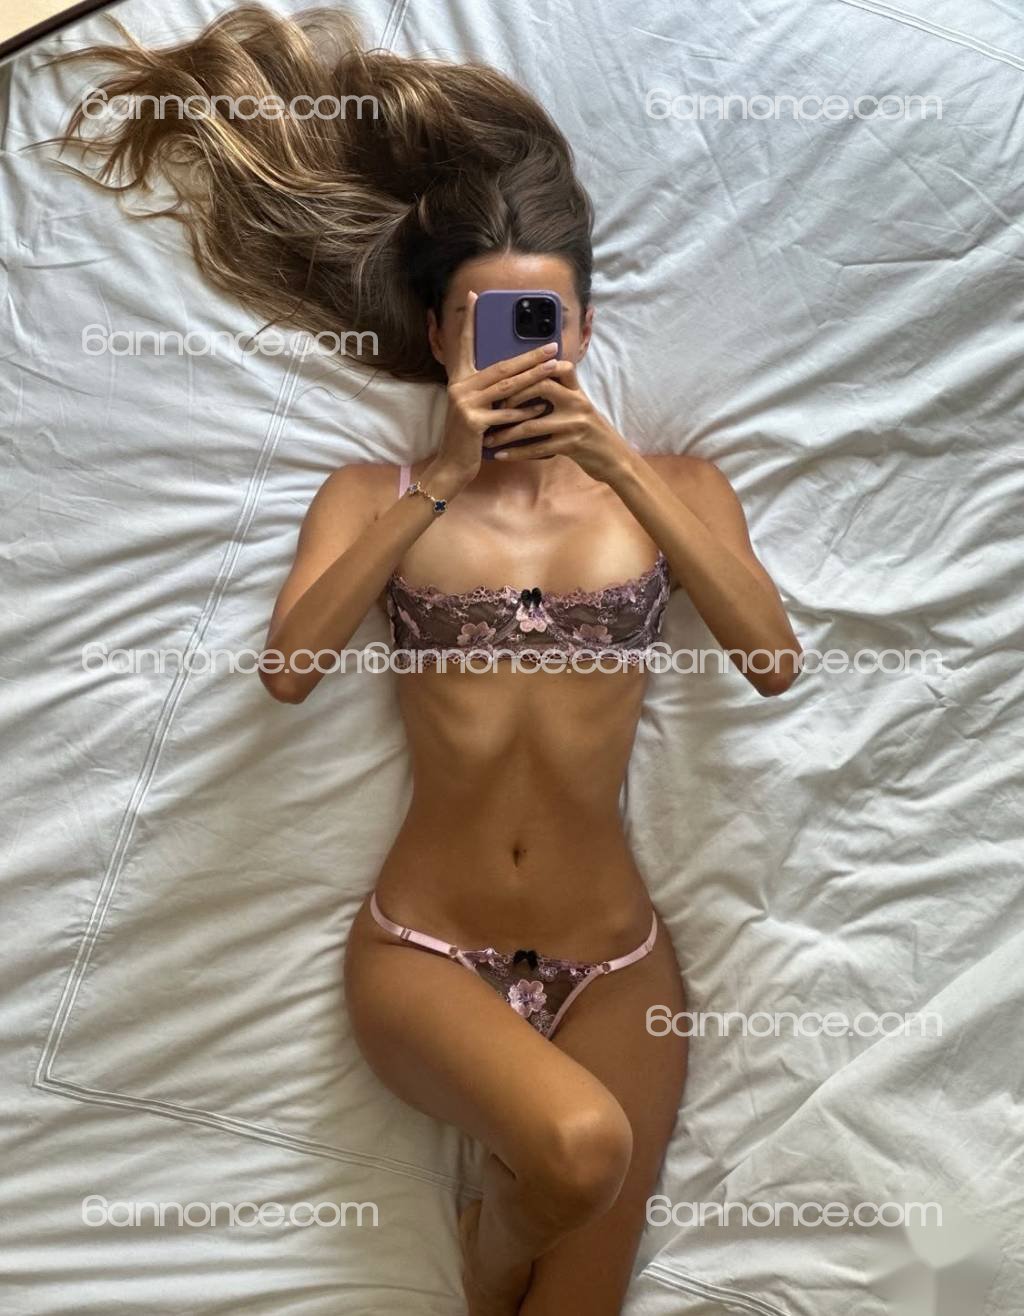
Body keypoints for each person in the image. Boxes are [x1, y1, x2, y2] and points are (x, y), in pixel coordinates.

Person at [55, 8, 802, 1312]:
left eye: (542, 321)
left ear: (582, 329)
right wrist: (443, 481)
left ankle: (509, 1241)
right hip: (425, 953)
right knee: (578, 1151)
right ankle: (492, 1235)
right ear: (441, 336)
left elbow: (775, 661)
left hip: (616, 963)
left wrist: (616, 463)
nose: (516, 348)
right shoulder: (373, 495)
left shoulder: (673, 488)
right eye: (482, 322)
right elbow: (289, 669)